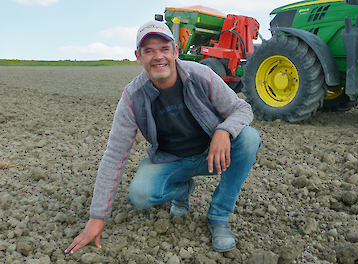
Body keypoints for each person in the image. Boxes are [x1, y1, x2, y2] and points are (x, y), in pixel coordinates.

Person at [65, 20, 261, 254]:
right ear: (139, 57)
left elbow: (242, 109)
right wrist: (97, 217)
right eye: (149, 51)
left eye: (164, 49)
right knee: (140, 194)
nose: (158, 57)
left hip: (212, 155)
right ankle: (182, 191)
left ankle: (218, 216)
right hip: (172, 161)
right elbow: (115, 154)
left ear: (176, 52)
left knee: (248, 139)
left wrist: (224, 130)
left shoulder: (202, 76)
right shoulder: (133, 97)